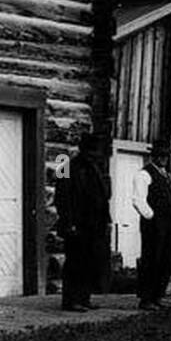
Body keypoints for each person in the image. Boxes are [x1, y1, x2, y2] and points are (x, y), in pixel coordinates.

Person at [56, 133, 110, 312]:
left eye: (96, 153)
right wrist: (68, 222)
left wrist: (105, 220)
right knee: (74, 263)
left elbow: (103, 197)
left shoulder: (96, 169)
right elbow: (62, 198)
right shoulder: (65, 167)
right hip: (76, 225)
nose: (94, 156)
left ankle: (84, 298)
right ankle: (70, 301)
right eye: (91, 152)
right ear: (83, 150)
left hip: (93, 226)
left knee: (89, 262)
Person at [133, 141, 171, 310]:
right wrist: (151, 216)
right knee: (152, 259)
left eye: (166, 156)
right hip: (154, 224)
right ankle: (146, 299)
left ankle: (158, 296)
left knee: (165, 260)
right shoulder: (144, 174)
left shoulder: (166, 175)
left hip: (168, 223)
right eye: (160, 155)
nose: (163, 159)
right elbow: (138, 200)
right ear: (153, 156)